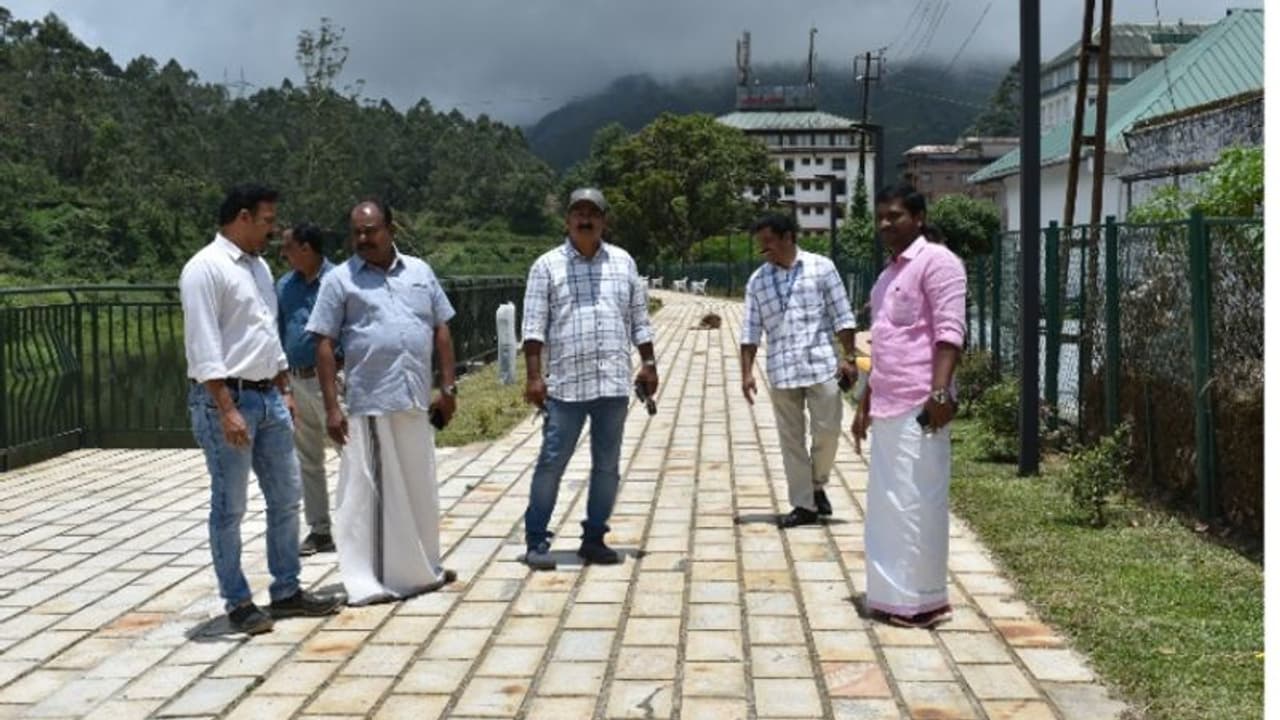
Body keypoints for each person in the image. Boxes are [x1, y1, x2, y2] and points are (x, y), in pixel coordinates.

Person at [180, 184, 343, 635]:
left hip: (270, 396)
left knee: (286, 497)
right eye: (267, 221)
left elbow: (267, 334)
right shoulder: (204, 269)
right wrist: (225, 407)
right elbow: (203, 345)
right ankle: (237, 600)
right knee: (230, 506)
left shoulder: (259, 268)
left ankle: (287, 591)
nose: (273, 230)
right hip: (228, 399)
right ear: (243, 217)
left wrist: (284, 387)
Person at [307, 199, 457, 604]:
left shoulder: (420, 272)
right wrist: (332, 408)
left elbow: (441, 328)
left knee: (419, 486)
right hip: (372, 401)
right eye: (356, 232)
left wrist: (448, 388)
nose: (363, 238)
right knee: (375, 495)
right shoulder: (340, 280)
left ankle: (422, 568)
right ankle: (371, 578)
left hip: (414, 397)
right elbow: (324, 343)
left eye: (370, 230)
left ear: (391, 228)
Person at [520, 187, 657, 570]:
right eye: (578, 213)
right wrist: (534, 377)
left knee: (607, 466)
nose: (585, 219)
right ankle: (536, 540)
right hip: (566, 385)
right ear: (567, 220)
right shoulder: (546, 266)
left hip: (612, 382)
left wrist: (649, 363)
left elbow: (639, 318)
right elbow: (533, 327)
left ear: (604, 221)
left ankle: (594, 538)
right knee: (552, 462)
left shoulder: (623, 262)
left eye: (593, 213)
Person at [852, 183, 966, 629]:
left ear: (918, 218)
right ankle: (892, 597)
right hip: (887, 403)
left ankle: (923, 602)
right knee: (890, 506)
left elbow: (950, 332)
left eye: (895, 216)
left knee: (919, 501)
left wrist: (939, 393)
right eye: (880, 217)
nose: (885, 224)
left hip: (921, 403)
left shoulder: (938, 262)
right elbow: (884, 345)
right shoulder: (887, 276)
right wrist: (865, 400)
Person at [740, 213, 859, 528]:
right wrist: (746, 373)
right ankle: (804, 504)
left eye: (768, 241)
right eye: (760, 243)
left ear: (788, 237)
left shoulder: (822, 268)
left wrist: (849, 356)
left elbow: (843, 315)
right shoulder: (757, 281)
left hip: (821, 366)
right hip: (782, 371)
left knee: (828, 431)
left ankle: (817, 485)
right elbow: (750, 331)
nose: (763, 249)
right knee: (790, 440)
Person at [277, 223, 340, 556]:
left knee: (352, 452)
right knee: (308, 459)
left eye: (287, 247)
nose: (282, 254)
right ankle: (319, 529)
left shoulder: (340, 280)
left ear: (305, 248)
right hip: (296, 380)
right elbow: (277, 332)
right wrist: (283, 384)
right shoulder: (284, 286)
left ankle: (365, 525)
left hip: (334, 379)